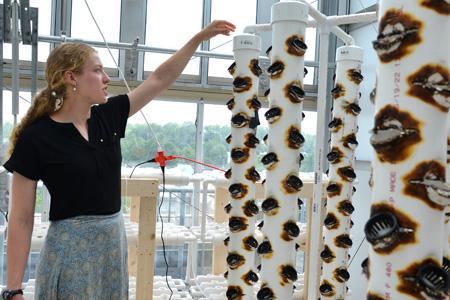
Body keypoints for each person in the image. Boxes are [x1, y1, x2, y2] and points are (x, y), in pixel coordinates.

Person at [1, 20, 235, 300]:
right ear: (71, 78)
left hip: (112, 247)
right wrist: (13, 288)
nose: (106, 78)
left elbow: (160, 79)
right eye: (97, 70)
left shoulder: (107, 116)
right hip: (70, 253)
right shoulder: (37, 137)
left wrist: (197, 39)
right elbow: (22, 218)